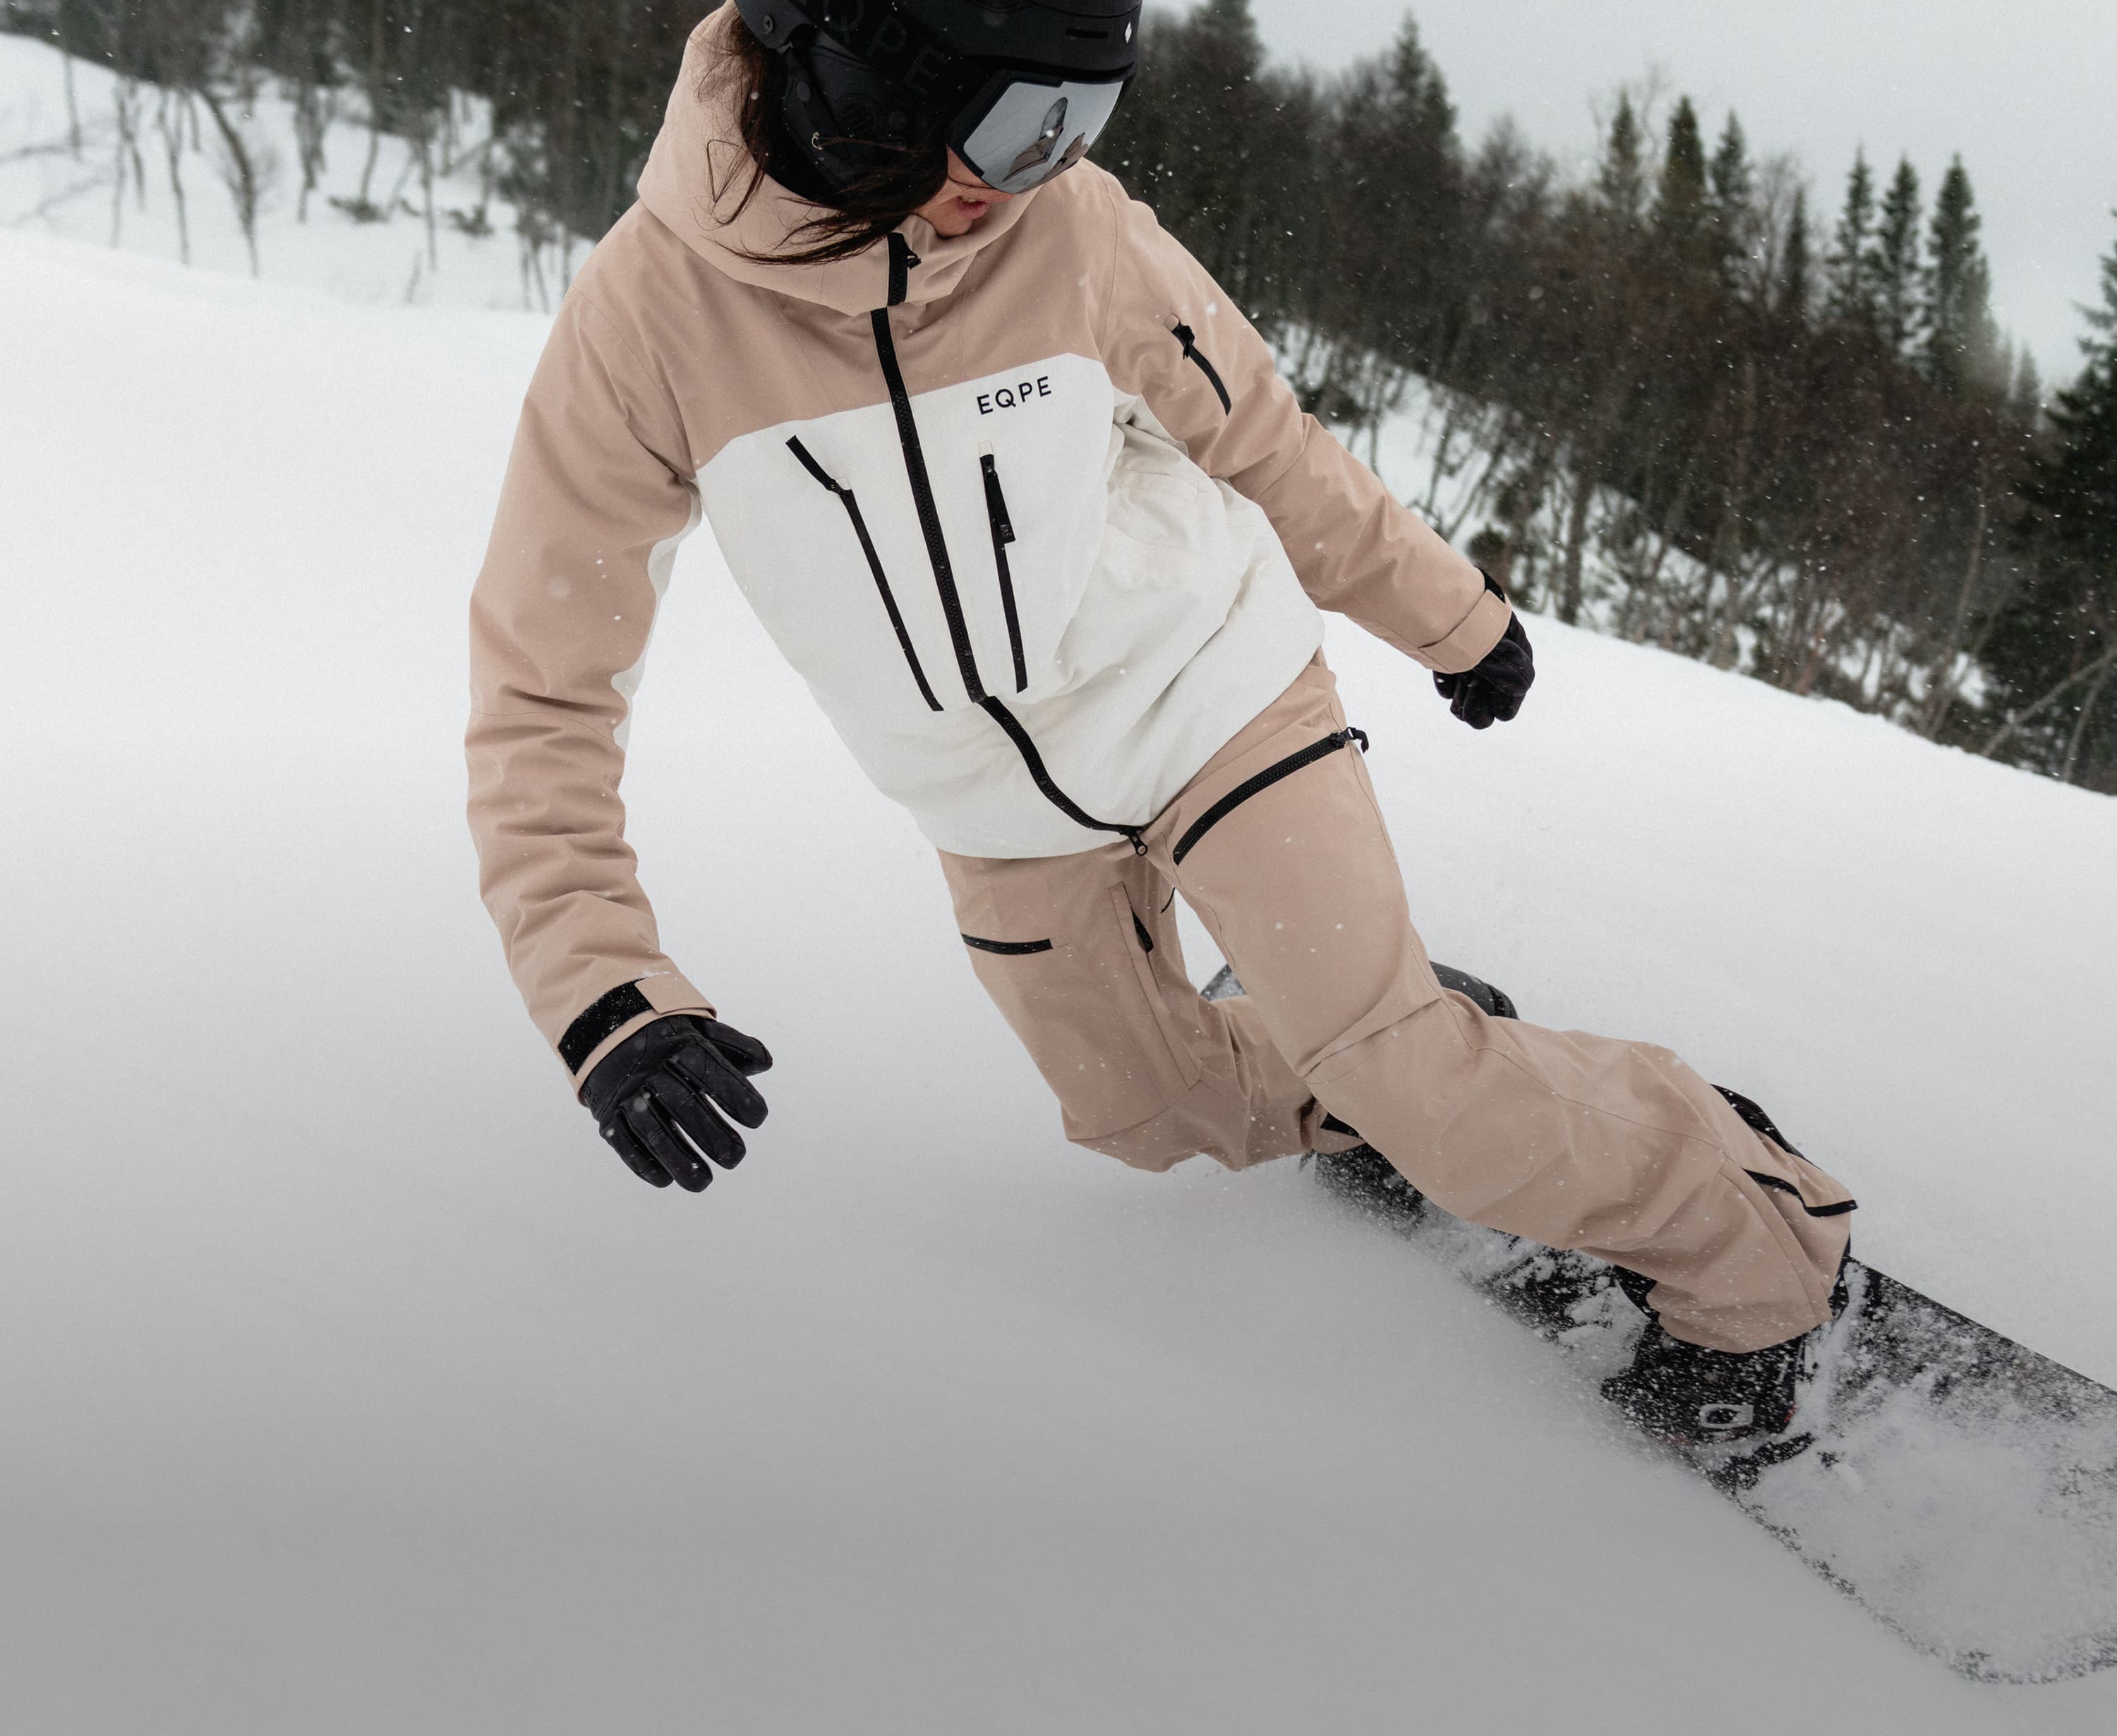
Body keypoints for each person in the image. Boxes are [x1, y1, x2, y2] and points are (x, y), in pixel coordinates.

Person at [466, 0, 1855, 1447]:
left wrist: (1452, 617)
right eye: (1018, 121)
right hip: (992, 807)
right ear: (867, 87)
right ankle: (1382, 1063)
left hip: (1215, 694)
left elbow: (1266, 440)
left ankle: (1750, 1240)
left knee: (1418, 1081)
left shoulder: (1068, 234)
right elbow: (541, 690)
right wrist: (603, 992)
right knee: (1139, 1114)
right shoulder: (645, 323)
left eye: (1085, 121)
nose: (1037, 169)